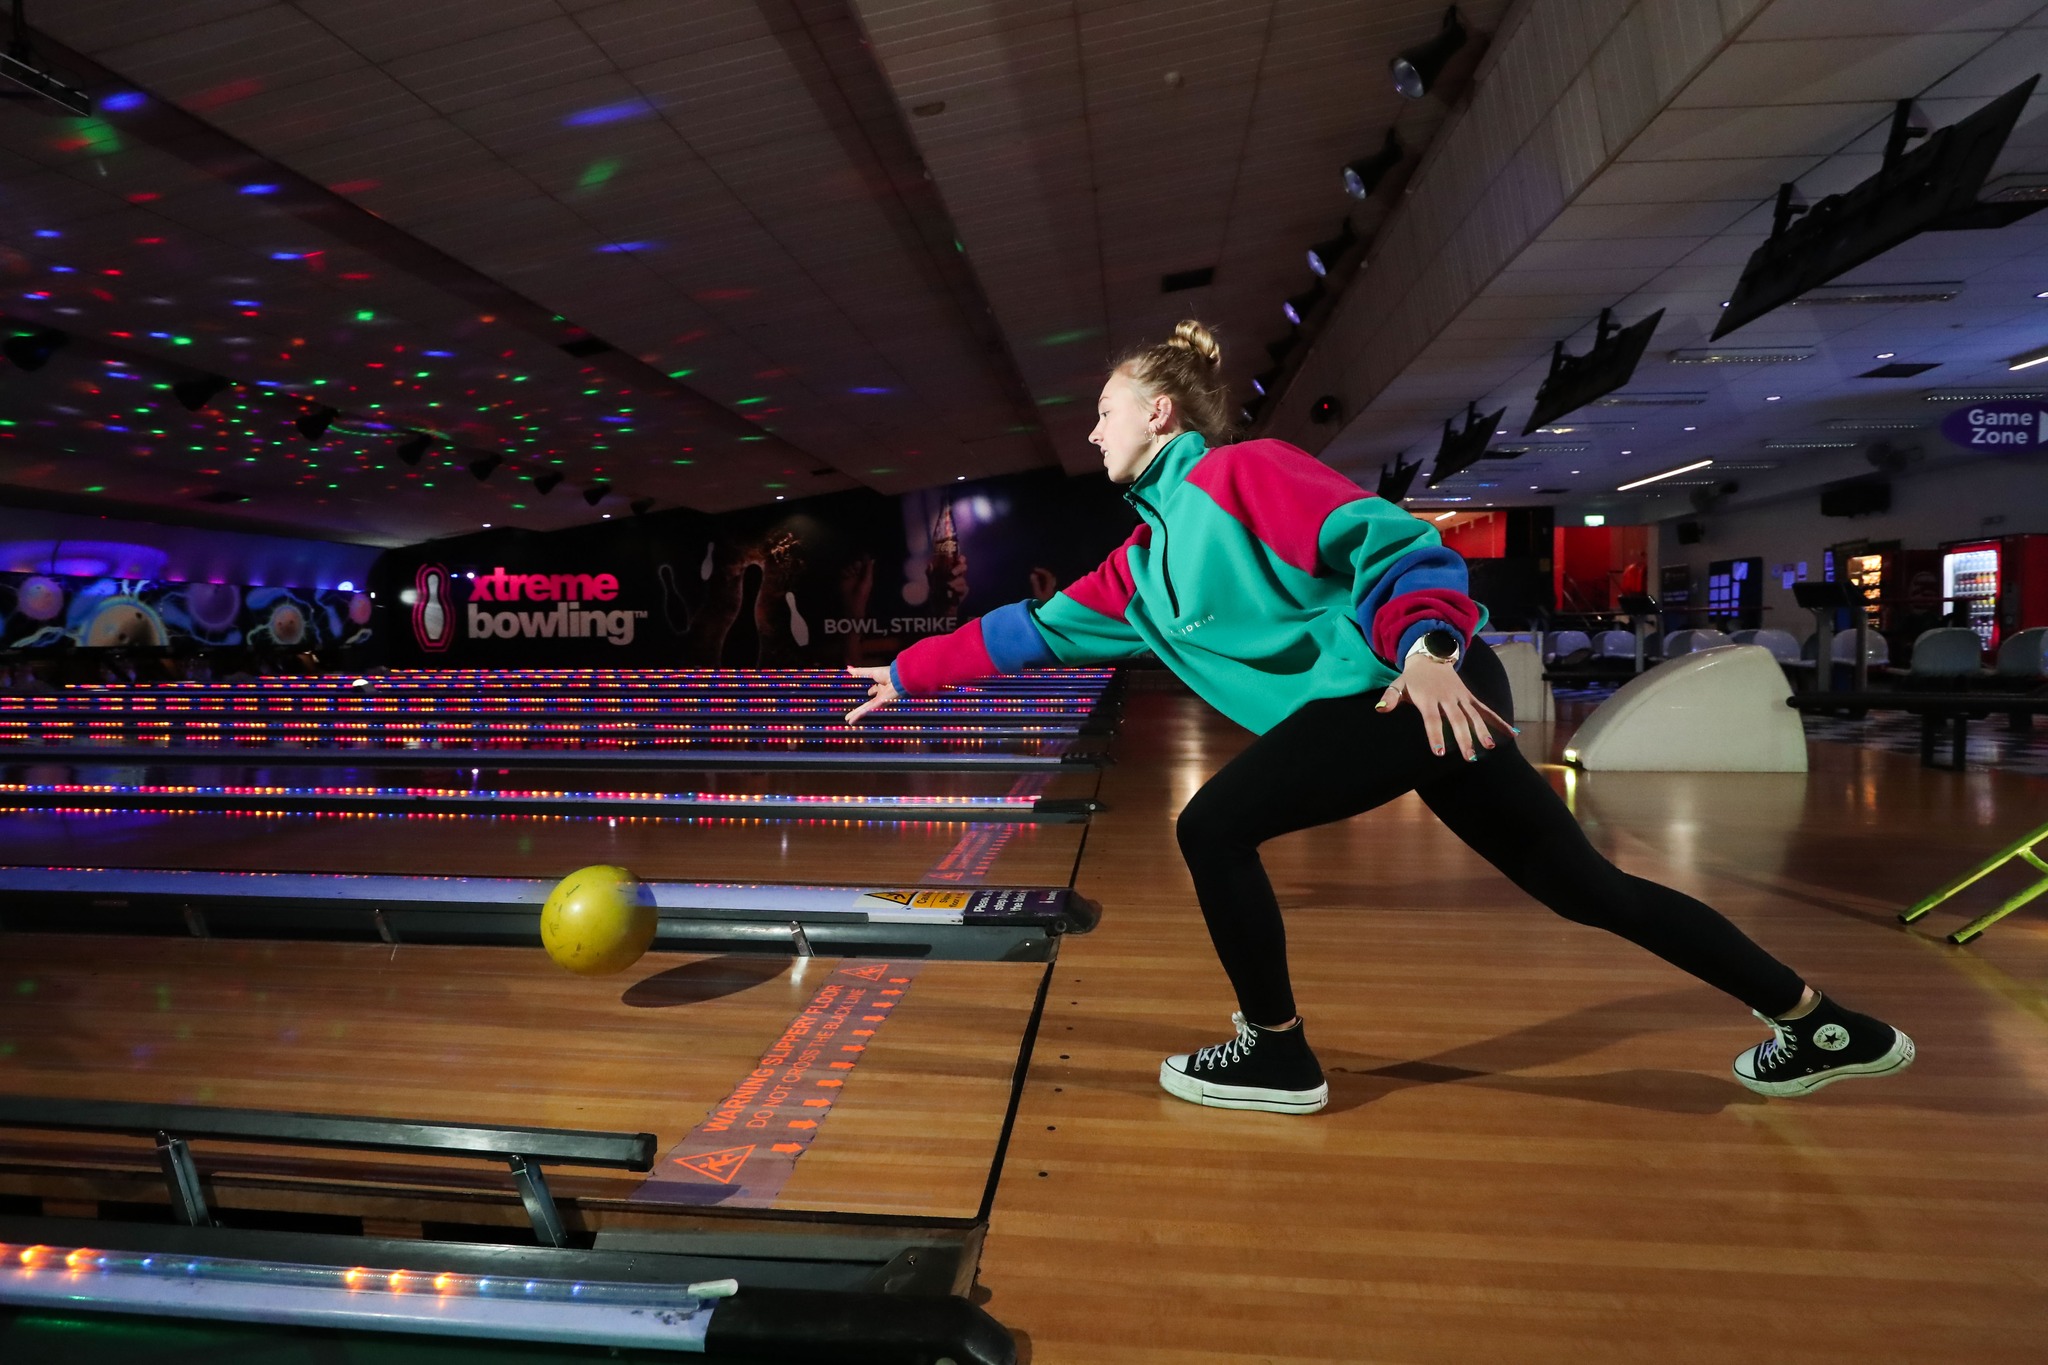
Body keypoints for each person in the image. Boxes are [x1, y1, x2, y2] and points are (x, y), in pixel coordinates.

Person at [847, 320, 1914, 1115]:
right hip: (1408, 700)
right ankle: (1818, 1023)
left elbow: (1391, 548)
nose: (1090, 431)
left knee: (1211, 826)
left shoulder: (1237, 475)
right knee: (1584, 889)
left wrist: (1426, 642)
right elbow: (1034, 630)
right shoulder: (1142, 565)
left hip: (1411, 685)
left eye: (1104, 411)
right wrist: (910, 672)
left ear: (1158, 414)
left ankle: (1274, 1050)